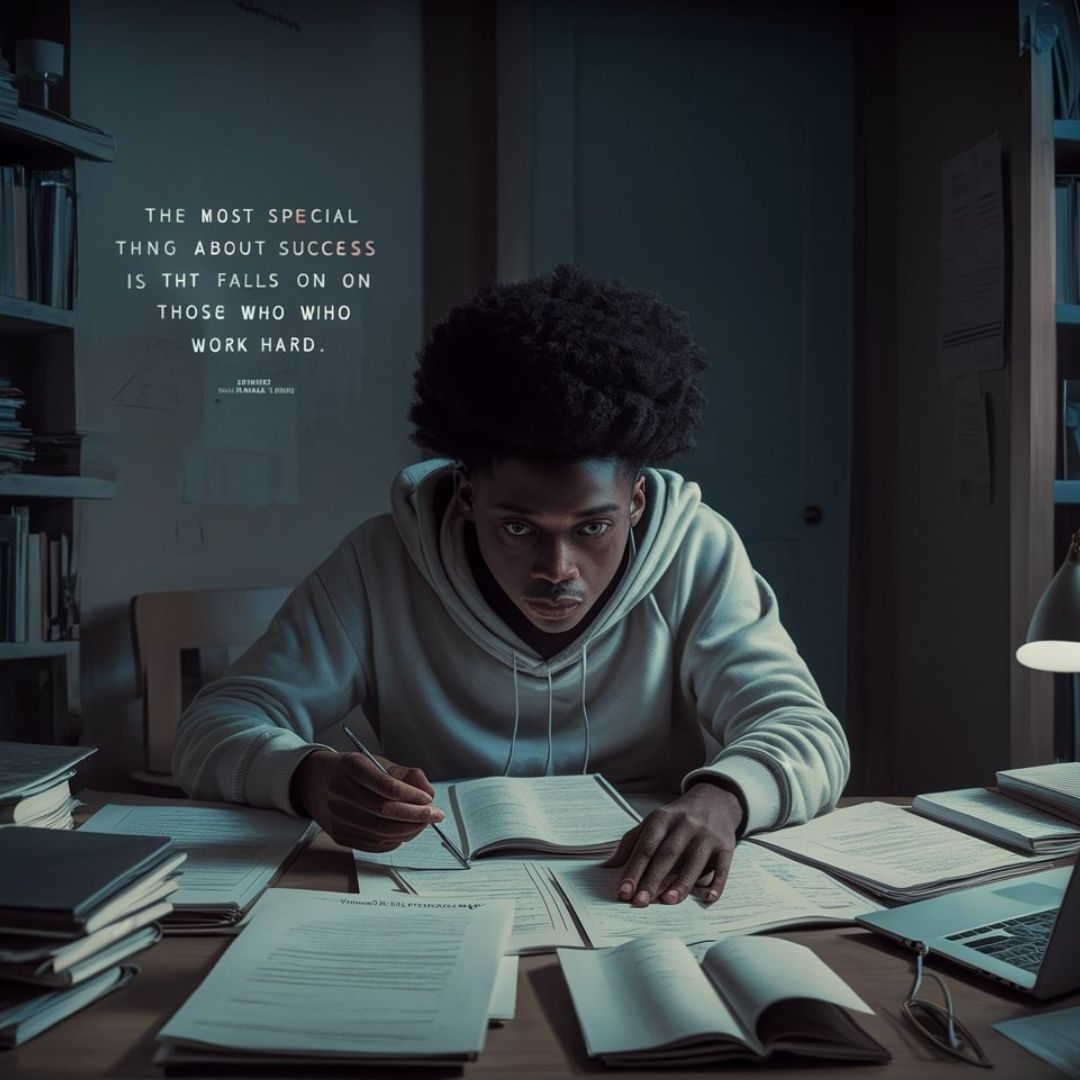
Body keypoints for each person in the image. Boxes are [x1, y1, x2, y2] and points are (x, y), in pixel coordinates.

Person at [174, 264, 848, 907]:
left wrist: (723, 798)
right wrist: (307, 776)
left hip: (638, 888)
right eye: (519, 529)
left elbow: (803, 729)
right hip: (438, 886)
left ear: (636, 502)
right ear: (467, 497)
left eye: (592, 529)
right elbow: (212, 725)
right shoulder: (378, 561)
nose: (558, 569)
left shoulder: (699, 552)